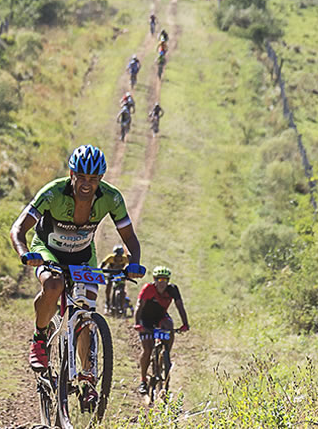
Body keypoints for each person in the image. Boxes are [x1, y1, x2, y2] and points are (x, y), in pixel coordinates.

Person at [10, 145, 147, 400]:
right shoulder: (52, 192)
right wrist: (24, 253)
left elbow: (129, 236)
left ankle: (87, 377)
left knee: (86, 308)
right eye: (81, 177)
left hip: (83, 255)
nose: (86, 184)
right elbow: (18, 229)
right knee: (54, 285)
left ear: (101, 178)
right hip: (47, 250)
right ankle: (40, 338)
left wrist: (135, 263)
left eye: (93, 179)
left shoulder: (111, 197)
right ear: (71, 174)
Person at [133, 266, 189, 395]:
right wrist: (137, 324)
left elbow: (180, 306)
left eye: (165, 280)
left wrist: (185, 324)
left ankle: (166, 353)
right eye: (159, 279)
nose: (162, 283)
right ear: (154, 279)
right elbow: (139, 306)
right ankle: (143, 380)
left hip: (160, 317)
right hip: (145, 319)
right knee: (147, 349)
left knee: (169, 326)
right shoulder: (148, 288)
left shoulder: (172, 289)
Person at [100, 245, 129, 312]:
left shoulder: (125, 259)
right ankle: (107, 301)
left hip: (120, 274)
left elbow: (131, 266)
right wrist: (100, 272)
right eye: (117, 256)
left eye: (120, 256)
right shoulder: (110, 258)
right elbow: (101, 265)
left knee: (122, 289)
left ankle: (122, 306)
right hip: (110, 273)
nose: (118, 258)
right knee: (109, 285)